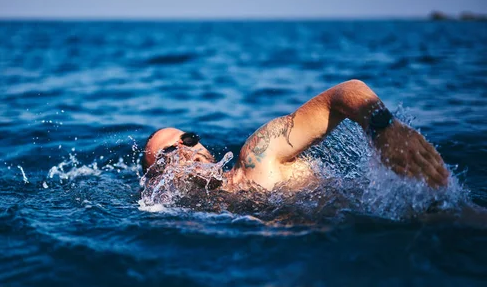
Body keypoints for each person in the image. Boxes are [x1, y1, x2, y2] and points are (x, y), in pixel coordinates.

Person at [141, 80, 449, 195]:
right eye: (168, 151)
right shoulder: (191, 219)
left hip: (423, 207)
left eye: (189, 139)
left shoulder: (258, 158)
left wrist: (385, 129)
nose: (184, 149)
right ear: (157, 179)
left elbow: (342, 94)